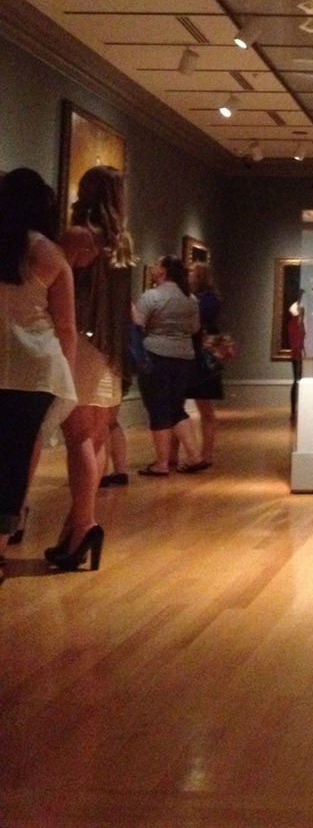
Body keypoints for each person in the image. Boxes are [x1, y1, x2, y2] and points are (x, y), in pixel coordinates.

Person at [50, 164, 136, 566]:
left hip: (82, 344)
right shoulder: (123, 243)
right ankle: (77, 528)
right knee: (97, 435)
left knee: (79, 436)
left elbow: (54, 286)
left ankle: (82, 527)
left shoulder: (78, 237)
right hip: (111, 349)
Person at [0, 169, 79, 575]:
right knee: (14, 459)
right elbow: (65, 324)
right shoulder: (48, 253)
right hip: (35, 369)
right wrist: (67, 365)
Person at [134, 255, 205, 475]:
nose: (153, 267)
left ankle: (161, 463)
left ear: (164, 270)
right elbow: (194, 328)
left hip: (156, 354)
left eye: (157, 264)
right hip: (184, 357)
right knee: (176, 407)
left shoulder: (151, 296)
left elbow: (138, 324)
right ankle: (195, 457)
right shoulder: (190, 299)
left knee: (158, 408)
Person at [187, 262, 223, 463]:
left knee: (205, 407)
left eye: (193, 271)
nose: (189, 274)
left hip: (203, 355)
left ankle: (206, 454)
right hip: (193, 353)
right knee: (179, 405)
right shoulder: (198, 298)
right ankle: (177, 455)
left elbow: (200, 322)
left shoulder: (209, 299)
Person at [287, 294, 306, 422]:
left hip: (302, 353)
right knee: (297, 380)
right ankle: (294, 409)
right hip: (297, 354)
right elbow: (296, 341)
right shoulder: (294, 323)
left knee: (300, 380)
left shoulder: (302, 322)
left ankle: (299, 408)